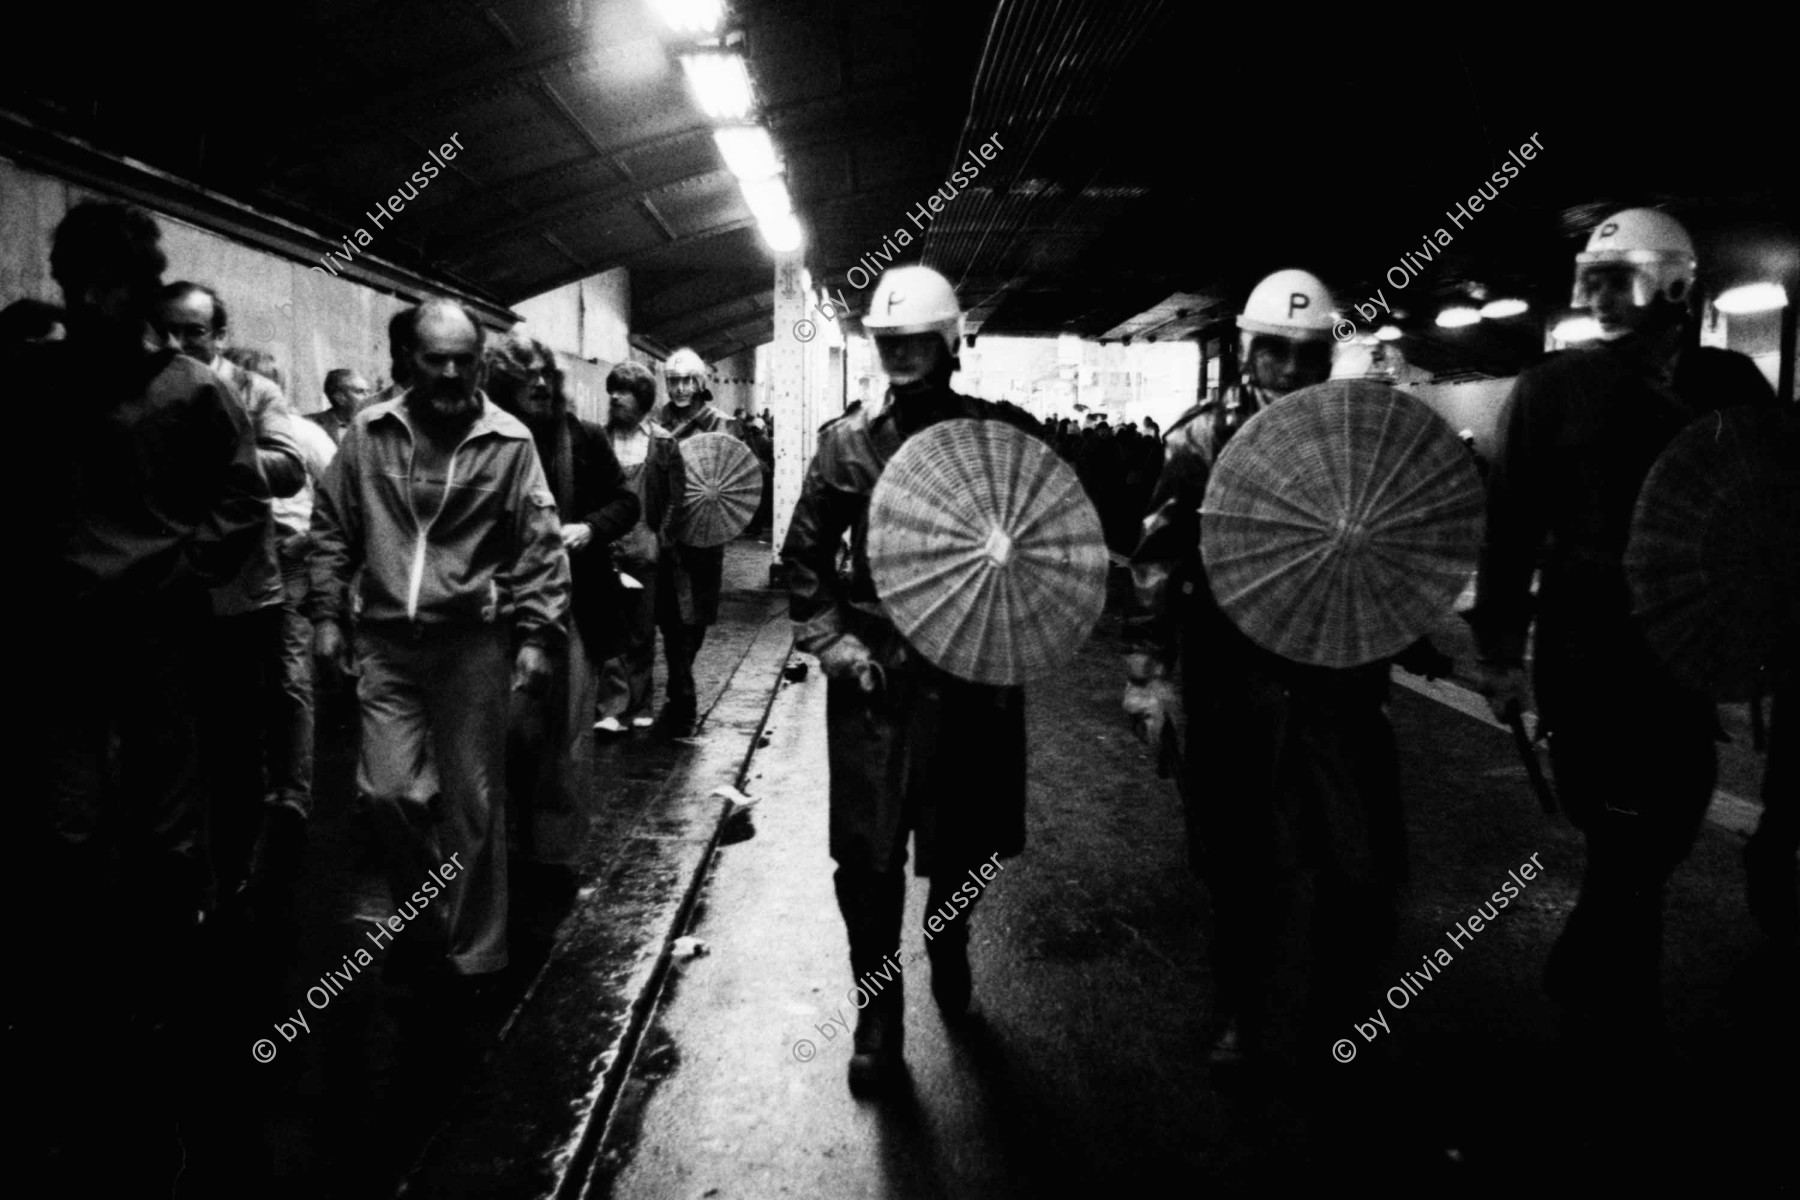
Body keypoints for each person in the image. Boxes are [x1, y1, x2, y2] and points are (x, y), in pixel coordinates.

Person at [1468, 208, 1779, 1042]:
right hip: (1588, 655)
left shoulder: (1731, 385)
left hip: (1688, 653)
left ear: (1673, 283)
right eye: (1592, 282)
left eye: (1619, 281)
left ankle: (1583, 970)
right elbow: (1510, 529)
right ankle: (1623, 1013)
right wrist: (1500, 652)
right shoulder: (1550, 391)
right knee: (1622, 831)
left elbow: (1762, 506)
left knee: (1670, 819)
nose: (1601, 300)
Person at [1124, 268, 1428, 1076]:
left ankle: (1338, 1015)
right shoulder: (1198, 442)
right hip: (1233, 682)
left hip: (1336, 680)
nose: (1288, 373)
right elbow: (1156, 560)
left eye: (1304, 356)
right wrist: (1148, 673)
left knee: (1353, 861)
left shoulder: (1358, 440)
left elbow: (1397, 541)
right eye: (1273, 355)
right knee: (1238, 860)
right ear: (1246, 354)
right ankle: (1241, 1011)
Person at [783, 264, 1042, 1095]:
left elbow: (1046, 538)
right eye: (887, 341)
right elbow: (805, 558)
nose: (899, 353)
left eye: (915, 341)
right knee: (866, 855)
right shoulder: (844, 443)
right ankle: (876, 1010)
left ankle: (951, 937)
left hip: (972, 673)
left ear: (948, 344)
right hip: (877, 676)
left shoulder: (998, 435)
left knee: (966, 840)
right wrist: (834, 645)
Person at [29, 203, 269, 1020]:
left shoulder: (190, 389)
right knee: (76, 815)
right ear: (66, 287)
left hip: (154, 627)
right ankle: (106, 970)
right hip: (67, 628)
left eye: (116, 287)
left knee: (163, 805)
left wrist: (185, 573)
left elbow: (243, 497)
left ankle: (164, 972)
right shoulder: (37, 383)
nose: (98, 304)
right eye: (84, 287)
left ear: (141, 289)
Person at [310, 299, 569, 994]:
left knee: (473, 803)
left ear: (480, 362)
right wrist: (329, 618)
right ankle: (424, 926)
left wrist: (538, 637)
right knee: (388, 793)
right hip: (387, 642)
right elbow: (332, 530)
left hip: (472, 647)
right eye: (437, 360)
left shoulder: (510, 443)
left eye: (464, 360)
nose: (452, 374)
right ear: (408, 363)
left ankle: (475, 956)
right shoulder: (368, 435)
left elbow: (539, 547)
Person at [160, 281, 309, 912]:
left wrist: (218, 452)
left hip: (242, 595)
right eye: (166, 329)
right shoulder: (147, 388)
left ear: (219, 336)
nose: (178, 343)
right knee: (170, 740)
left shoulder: (254, 392)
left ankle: (234, 865)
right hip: (164, 594)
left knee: (233, 740)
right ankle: (181, 875)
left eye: (193, 331)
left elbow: (289, 466)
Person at [484, 332, 638, 879]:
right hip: (497, 609)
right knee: (503, 731)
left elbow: (626, 501)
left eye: (548, 378)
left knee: (566, 738)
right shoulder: (484, 440)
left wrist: (589, 530)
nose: (544, 387)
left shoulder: (585, 439)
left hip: (573, 607)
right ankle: (500, 844)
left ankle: (554, 856)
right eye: (530, 381)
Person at [594, 360, 686, 734]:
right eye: (612, 390)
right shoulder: (599, 439)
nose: (615, 398)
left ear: (643, 400)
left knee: (642, 630)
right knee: (606, 626)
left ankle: (641, 702)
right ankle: (611, 707)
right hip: (604, 546)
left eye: (625, 392)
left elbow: (678, 500)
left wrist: (660, 540)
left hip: (645, 547)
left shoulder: (663, 444)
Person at [650, 346, 736, 736]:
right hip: (667, 533)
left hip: (704, 535)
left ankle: (681, 680)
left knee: (697, 615)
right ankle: (681, 688)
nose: (681, 388)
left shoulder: (720, 423)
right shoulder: (655, 422)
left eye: (687, 380)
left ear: (701, 382)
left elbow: (732, 475)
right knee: (670, 616)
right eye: (674, 381)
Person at [310, 367, 374, 445]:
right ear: (339, 398)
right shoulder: (310, 426)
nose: (369, 397)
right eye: (360, 392)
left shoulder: (379, 427)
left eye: (368, 391)